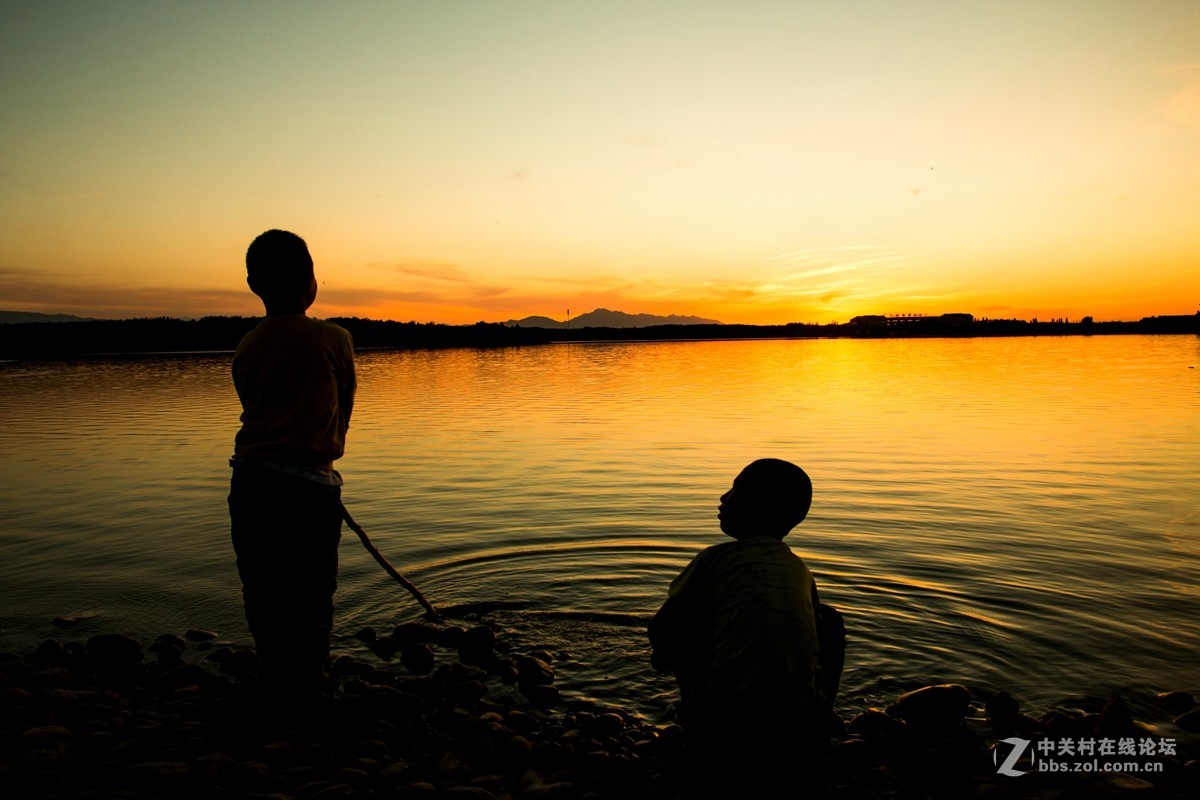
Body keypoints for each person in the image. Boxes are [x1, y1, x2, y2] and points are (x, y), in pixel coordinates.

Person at [649, 458, 845, 797]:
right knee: (829, 619)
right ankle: (824, 713)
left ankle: (698, 731)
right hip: (799, 722)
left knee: (684, 627)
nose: (722, 498)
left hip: (726, 720)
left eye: (735, 490)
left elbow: (663, 626)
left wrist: (665, 656)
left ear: (762, 506)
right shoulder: (800, 569)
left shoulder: (715, 558)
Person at [227, 229, 356, 703]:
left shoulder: (248, 345)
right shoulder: (335, 339)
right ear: (311, 284)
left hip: (251, 480)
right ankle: (311, 679)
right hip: (308, 487)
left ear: (253, 284)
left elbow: (253, 407)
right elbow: (343, 410)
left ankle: (275, 675)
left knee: (262, 584)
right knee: (312, 585)